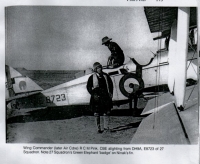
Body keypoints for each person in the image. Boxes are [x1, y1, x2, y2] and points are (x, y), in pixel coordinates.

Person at [86, 62, 113, 133]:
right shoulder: (91, 77)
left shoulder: (106, 76)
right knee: (96, 113)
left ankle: (106, 128)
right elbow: (88, 87)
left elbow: (110, 85)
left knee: (106, 112)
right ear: (95, 69)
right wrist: (93, 94)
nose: (100, 69)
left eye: (100, 67)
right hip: (96, 97)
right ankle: (98, 128)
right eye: (98, 68)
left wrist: (110, 93)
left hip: (105, 96)